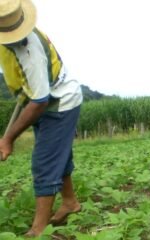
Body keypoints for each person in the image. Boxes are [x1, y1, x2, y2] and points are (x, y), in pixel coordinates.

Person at [0, 0, 82, 236]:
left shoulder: (29, 50)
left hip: (60, 103)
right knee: (59, 154)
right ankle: (70, 202)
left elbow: (40, 101)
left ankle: (38, 231)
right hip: (39, 98)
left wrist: (8, 138)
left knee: (45, 162)